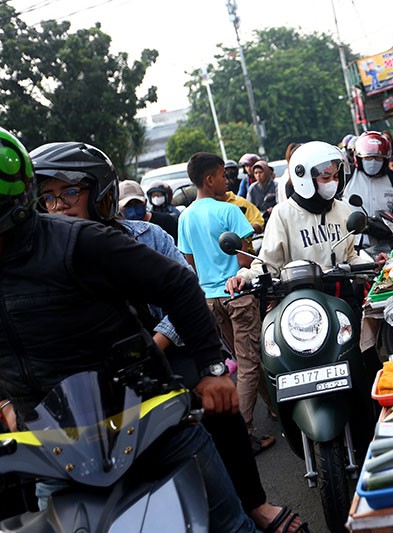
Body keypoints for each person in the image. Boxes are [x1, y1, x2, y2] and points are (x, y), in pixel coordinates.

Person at [32, 141, 306, 532]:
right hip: (90, 389)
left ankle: (254, 502)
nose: (59, 206)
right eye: (48, 198)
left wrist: (162, 349)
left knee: (221, 403)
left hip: (165, 354)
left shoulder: (146, 237)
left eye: (70, 192)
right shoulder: (37, 261)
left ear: (100, 194)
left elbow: (184, 293)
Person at [177, 152, 273, 456]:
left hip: (210, 300)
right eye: (222, 175)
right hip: (239, 296)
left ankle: (275, 407)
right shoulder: (230, 212)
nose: (227, 181)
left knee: (248, 360)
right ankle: (242, 435)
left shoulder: (184, 218)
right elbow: (246, 261)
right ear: (209, 179)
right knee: (248, 364)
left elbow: (188, 263)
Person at [226, 141, 369, 288]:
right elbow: (268, 265)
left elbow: (351, 257)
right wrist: (244, 277)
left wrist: (375, 266)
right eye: (326, 178)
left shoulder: (341, 209)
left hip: (342, 294)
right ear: (304, 178)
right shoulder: (283, 214)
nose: (332, 182)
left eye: (336, 177)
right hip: (302, 298)